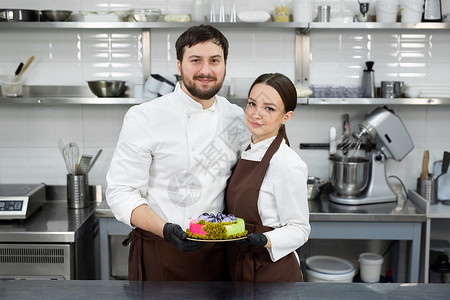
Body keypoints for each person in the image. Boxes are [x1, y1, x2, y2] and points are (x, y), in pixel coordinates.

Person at [106, 25, 248, 281]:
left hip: (217, 252)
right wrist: (165, 229)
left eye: (214, 61)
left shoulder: (236, 118)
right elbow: (121, 191)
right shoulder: (145, 117)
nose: (206, 70)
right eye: (195, 60)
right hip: (160, 249)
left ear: (225, 65)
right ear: (180, 66)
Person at [225, 73, 311, 282]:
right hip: (238, 266)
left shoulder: (288, 163)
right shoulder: (245, 151)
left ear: (286, 116)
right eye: (252, 104)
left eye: (269, 108)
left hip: (272, 273)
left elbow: (300, 229)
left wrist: (264, 239)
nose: (256, 114)